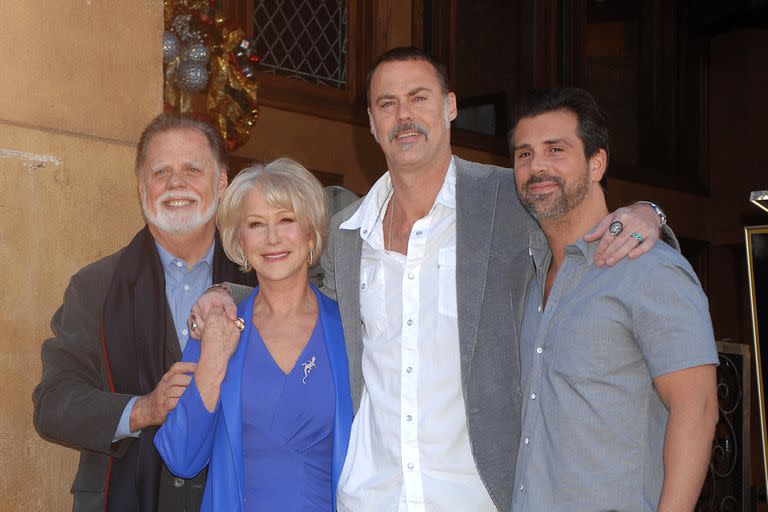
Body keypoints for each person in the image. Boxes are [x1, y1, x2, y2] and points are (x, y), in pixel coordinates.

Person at [190, 47, 671, 511]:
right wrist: (223, 293)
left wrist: (649, 214)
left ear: (450, 107)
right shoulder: (346, 232)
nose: (404, 116)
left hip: (477, 498)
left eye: (419, 98)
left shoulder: (509, 200)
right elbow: (289, 287)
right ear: (372, 123)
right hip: (370, 499)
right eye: (387, 103)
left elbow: (579, 218)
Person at [32, 113, 255, 512]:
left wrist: (232, 293)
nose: (175, 183)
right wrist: (142, 409)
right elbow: (52, 403)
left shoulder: (258, 280)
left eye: (192, 169)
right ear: (141, 188)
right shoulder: (95, 287)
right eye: (161, 172)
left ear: (222, 181)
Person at [508, 88, 718, 511]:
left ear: (597, 162)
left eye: (556, 149)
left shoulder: (650, 270)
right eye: (524, 154)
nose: (538, 167)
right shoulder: (528, 279)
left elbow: (698, 410)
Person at [154, 158, 353, 511]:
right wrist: (213, 362)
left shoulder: (350, 332)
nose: (272, 238)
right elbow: (181, 458)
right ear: (240, 242)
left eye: (286, 220)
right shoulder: (216, 327)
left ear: (311, 234)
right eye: (257, 224)